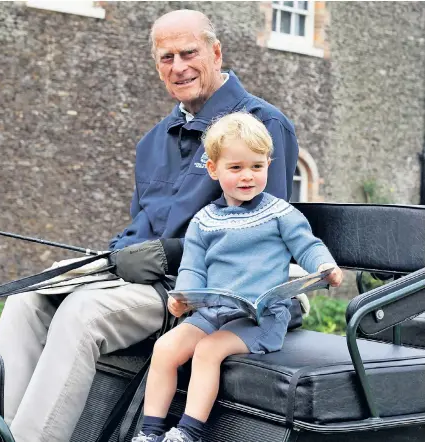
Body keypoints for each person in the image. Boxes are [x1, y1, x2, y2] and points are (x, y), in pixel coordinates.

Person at [0, 9, 299, 442]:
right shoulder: (154, 140)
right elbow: (142, 225)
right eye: (166, 57)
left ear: (215, 52)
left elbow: (265, 233)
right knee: (28, 299)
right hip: (144, 281)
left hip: (208, 293)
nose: (179, 66)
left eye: (188, 52)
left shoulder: (263, 126)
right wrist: (110, 257)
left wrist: (166, 255)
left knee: (82, 313)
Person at [132, 112, 343, 442]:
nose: (248, 176)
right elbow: (193, 267)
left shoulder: (279, 213)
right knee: (165, 348)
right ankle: (150, 431)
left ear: (268, 165)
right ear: (214, 169)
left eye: (257, 167)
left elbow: (307, 246)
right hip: (213, 312)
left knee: (208, 351)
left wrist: (324, 267)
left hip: (261, 320)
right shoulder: (204, 220)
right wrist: (183, 296)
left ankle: (188, 432)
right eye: (236, 168)